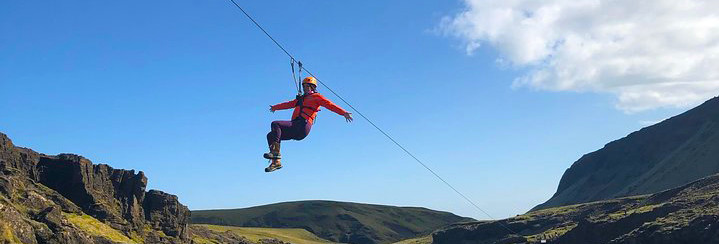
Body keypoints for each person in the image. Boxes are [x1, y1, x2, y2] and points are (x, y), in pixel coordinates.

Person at [264, 76, 353, 172]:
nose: (305, 88)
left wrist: (343, 113)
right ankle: (276, 162)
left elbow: (330, 105)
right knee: (271, 135)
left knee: (275, 124)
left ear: (312, 87)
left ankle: (275, 153)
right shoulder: (300, 99)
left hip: (302, 126)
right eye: (304, 86)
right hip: (295, 126)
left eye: (307, 86)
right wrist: (275, 107)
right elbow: (288, 104)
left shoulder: (317, 97)